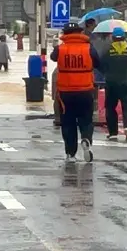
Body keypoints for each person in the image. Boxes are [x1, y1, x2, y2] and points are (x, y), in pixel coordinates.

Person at [50, 22, 101, 163]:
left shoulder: (60, 49)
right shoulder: (89, 48)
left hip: (66, 94)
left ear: (65, 33)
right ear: (81, 32)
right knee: (86, 120)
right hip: (85, 91)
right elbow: (97, 63)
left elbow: (53, 57)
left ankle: (70, 154)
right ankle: (86, 139)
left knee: (68, 123)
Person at [99, 27, 127, 141]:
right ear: (124, 37)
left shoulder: (107, 51)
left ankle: (113, 132)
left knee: (110, 107)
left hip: (111, 84)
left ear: (112, 38)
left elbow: (101, 65)